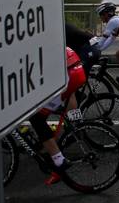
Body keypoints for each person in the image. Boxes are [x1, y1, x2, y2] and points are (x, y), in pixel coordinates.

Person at [29, 47, 88, 185]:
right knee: (67, 96)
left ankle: (59, 161)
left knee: (37, 118)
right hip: (74, 68)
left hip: (68, 73)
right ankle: (76, 125)